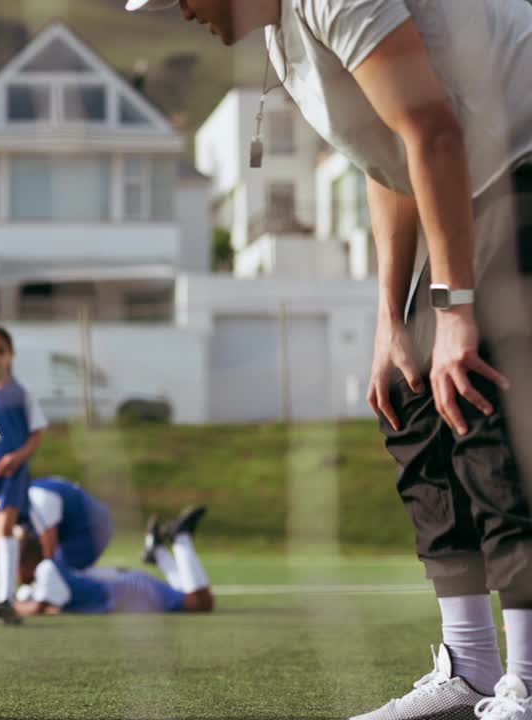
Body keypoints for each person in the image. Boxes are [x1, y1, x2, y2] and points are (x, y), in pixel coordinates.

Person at [124, 1, 532, 718]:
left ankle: (528, 677)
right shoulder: (282, 42)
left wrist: (458, 309)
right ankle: (470, 668)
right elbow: (388, 155)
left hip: (516, 157)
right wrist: (387, 320)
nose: (178, 10)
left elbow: (431, 129)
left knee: (477, 386)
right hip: (463, 172)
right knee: (411, 392)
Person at [0, 327, 48, 625]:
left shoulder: (22, 392)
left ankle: (6, 600)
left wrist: (17, 457)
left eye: (1, 351)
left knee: (5, 528)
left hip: (14, 471)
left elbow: (37, 431)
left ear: (11, 355)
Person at [11, 508, 214, 617]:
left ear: (27, 563)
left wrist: (8, 605)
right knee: (190, 598)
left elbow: (38, 607)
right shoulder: (51, 572)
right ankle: (159, 551)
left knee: (201, 603)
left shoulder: (47, 569)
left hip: (128, 591)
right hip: (124, 586)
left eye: (16, 567)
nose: (16, 575)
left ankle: (180, 539)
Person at [26, 476, 114, 571]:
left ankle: (112, 582)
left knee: (61, 573)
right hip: (87, 520)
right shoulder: (34, 491)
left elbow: (49, 552)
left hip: (92, 526)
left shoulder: (39, 499)